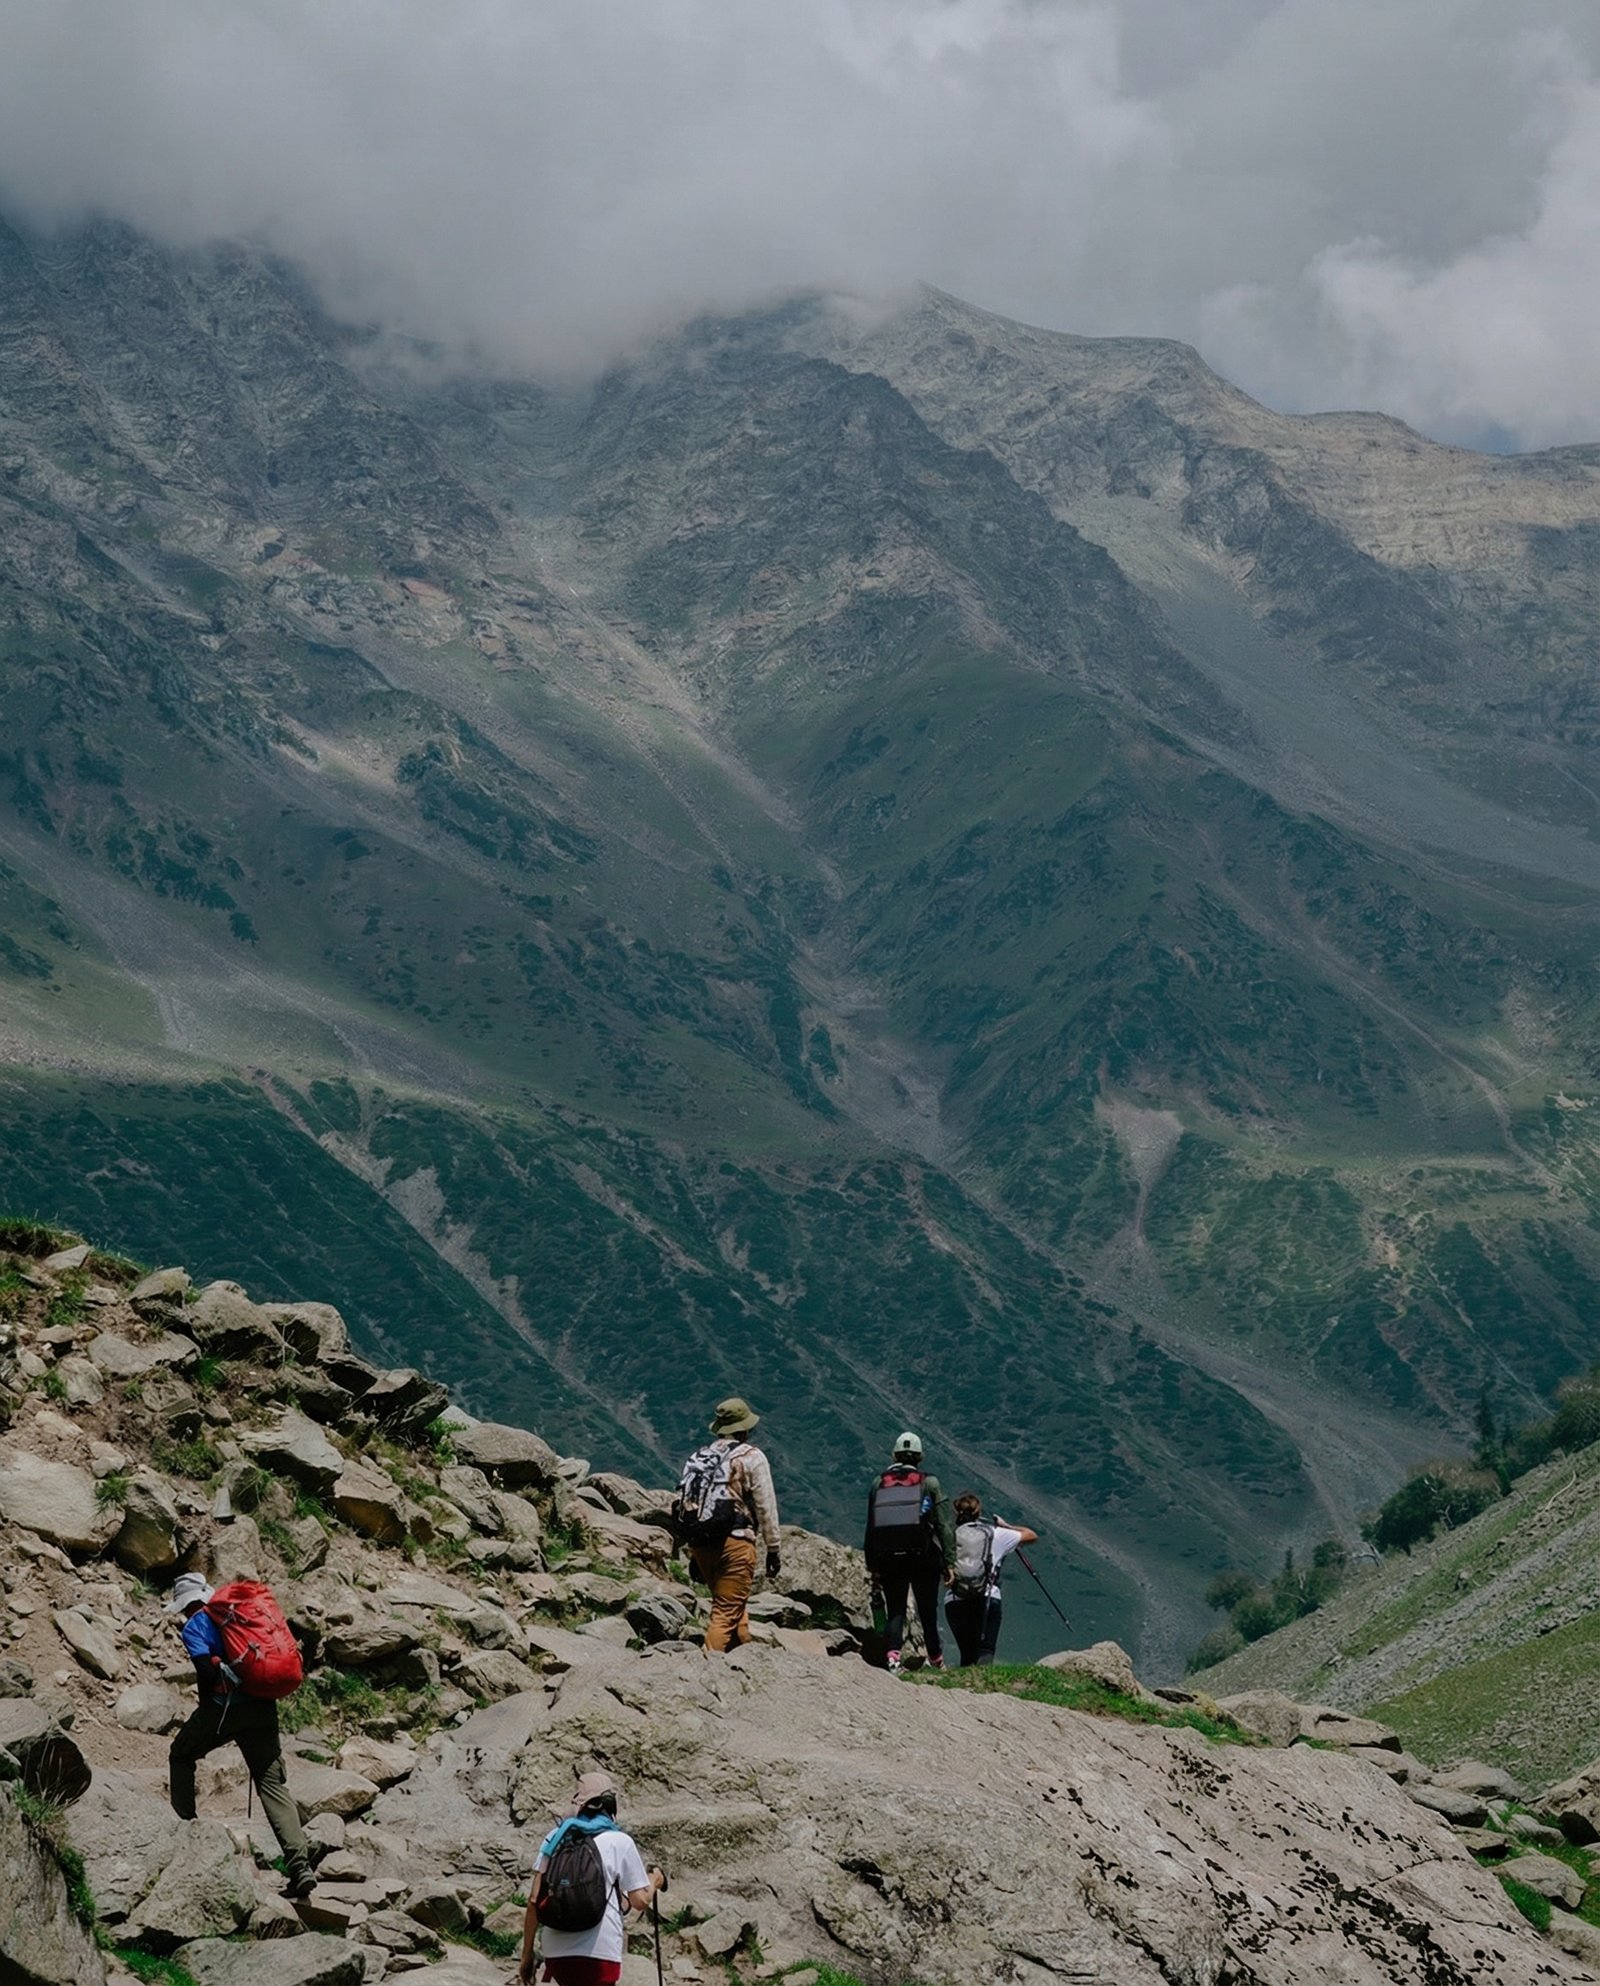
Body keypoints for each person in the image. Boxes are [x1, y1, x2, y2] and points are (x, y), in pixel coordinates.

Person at [164, 1571, 315, 1898]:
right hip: (263, 1706)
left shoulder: (194, 1626)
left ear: (185, 1605)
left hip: (224, 1709)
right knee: (272, 1783)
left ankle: (186, 1834)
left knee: (181, 1755)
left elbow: (206, 1672)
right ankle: (300, 1867)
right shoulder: (239, 1616)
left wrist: (208, 1706)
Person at [518, 1769, 665, 1986]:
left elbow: (533, 1900)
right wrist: (654, 1881)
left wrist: (527, 1954)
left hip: (557, 1953)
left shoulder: (555, 1838)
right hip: (600, 1953)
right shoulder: (619, 1841)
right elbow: (640, 1901)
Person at [682, 1397, 782, 1653]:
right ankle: (707, 1668)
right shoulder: (751, 1457)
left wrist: (694, 1551)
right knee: (725, 1614)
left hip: (702, 1544)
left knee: (734, 1607)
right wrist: (773, 1548)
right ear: (745, 1430)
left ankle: (742, 1659)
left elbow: (690, 1502)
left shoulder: (698, 1458)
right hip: (736, 1542)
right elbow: (766, 1505)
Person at [863, 1432, 955, 1676]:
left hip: (889, 1557)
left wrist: (873, 1564)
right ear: (920, 1457)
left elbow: (871, 1527)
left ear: (894, 1456)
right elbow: (944, 1525)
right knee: (927, 1610)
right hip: (923, 1556)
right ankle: (936, 1659)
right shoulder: (929, 1483)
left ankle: (893, 1659)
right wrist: (949, 1562)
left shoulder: (878, 1483)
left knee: (896, 1610)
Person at [944, 1492, 1038, 1667]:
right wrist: (1006, 1525)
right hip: (988, 1598)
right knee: (985, 1652)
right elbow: (1031, 1535)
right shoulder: (995, 1533)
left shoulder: (949, 1535)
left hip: (955, 1600)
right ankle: (984, 1680)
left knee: (967, 1654)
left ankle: (966, 1682)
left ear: (956, 1513)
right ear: (978, 1512)